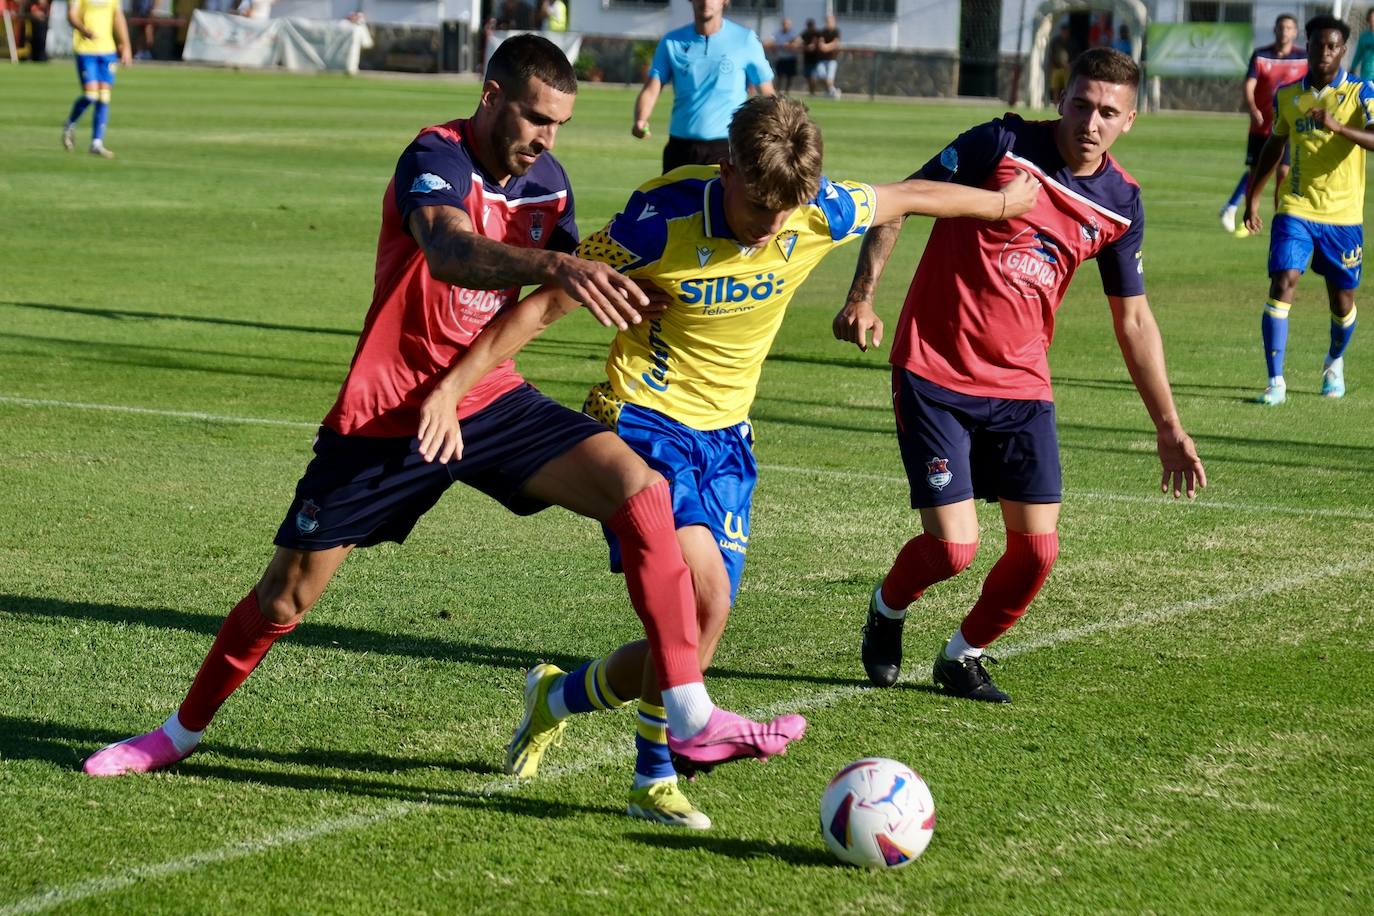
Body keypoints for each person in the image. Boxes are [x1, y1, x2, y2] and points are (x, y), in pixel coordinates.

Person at [81, 34, 804, 780]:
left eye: (558, 123)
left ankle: (686, 711)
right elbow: (449, 252)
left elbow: (554, 295)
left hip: (489, 400)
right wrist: (558, 263)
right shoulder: (435, 158)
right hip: (392, 411)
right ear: (491, 96)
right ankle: (176, 733)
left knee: (642, 491)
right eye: (532, 117)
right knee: (284, 597)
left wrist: (627, 291)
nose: (544, 137)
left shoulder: (550, 182)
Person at [415, 97, 1039, 828]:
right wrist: (454, 387)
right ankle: (653, 775)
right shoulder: (660, 217)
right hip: (643, 418)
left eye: (786, 210)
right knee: (694, 593)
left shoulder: (815, 210)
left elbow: (909, 195)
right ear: (727, 167)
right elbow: (552, 301)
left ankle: (556, 697)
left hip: (727, 441)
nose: (771, 225)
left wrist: (999, 205)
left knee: (696, 625)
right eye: (758, 204)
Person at [834, 48, 1206, 704]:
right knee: (953, 551)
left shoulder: (1121, 205)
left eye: (1109, 112)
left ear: (1131, 120)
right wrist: (862, 295)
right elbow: (899, 202)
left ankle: (963, 655)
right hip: (934, 370)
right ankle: (888, 609)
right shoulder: (999, 144)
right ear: (1061, 98)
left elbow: (1136, 321)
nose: (1092, 121)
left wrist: (1170, 426)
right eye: (1082, 104)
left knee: (1037, 553)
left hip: (1021, 388)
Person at [1243, 15, 1372, 406]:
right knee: (1283, 280)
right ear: (1309, 46)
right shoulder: (1287, 95)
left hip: (1344, 217)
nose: (1324, 53)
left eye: (1332, 47)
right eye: (1318, 45)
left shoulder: (1362, 91)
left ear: (1342, 50)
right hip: (1296, 207)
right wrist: (1253, 197)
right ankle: (1275, 382)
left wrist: (1338, 126)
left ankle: (1334, 362)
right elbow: (1272, 148)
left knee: (1342, 302)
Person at [632, 0, 773, 174]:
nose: (706, 1)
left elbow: (768, 95)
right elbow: (652, 88)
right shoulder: (672, 41)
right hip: (680, 148)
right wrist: (640, 120)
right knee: (676, 201)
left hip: (727, 148)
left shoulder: (745, 40)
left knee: (718, 202)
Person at [1219, 14, 1306, 236]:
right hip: (1261, 126)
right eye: (1281, 27)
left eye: (1289, 28)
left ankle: (1281, 220)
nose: (1285, 31)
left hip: (1286, 128)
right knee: (1256, 172)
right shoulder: (1261, 55)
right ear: (1275, 30)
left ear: (1295, 32)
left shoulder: (1303, 58)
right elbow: (1249, 84)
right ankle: (1248, 213)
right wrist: (1252, 107)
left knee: (1284, 173)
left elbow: (1308, 88)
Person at [62, 0, 131, 159]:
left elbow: (118, 16)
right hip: (86, 48)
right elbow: (71, 15)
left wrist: (126, 45)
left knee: (104, 97)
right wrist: (83, 30)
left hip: (107, 50)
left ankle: (96, 143)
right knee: (91, 95)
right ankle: (69, 124)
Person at [768, 16, 801, 94]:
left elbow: (798, 42)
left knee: (790, 76)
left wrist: (789, 45)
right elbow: (771, 42)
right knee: (780, 76)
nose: (786, 26)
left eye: (788, 24)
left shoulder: (793, 33)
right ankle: (778, 91)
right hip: (781, 58)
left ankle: (787, 91)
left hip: (791, 58)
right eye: (785, 24)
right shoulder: (778, 33)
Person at [814, 13, 841, 99]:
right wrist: (824, 46)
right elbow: (821, 43)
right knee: (821, 75)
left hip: (832, 59)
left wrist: (826, 47)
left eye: (830, 21)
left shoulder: (836, 31)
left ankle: (832, 92)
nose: (829, 23)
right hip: (822, 59)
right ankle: (833, 91)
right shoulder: (823, 32)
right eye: (827, 21)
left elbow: (835, 43)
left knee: (829, 78)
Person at [1047, 23, 1071, 104]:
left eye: (1065, 31)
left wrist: (1070, 65)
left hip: (1067, 69)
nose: (1064, 33)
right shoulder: (1055, 41)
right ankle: (1055, 103)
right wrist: (1052, 65)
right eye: (1063, 31)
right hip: (1056, 68)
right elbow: (1051, 54)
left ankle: (1066, 103)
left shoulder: (1072, 42)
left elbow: (1076, 55)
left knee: (1067, 88)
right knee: (1055, 87)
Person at [800, 18, 819, 95]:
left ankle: (813, 91)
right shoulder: (805, 33)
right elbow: (800, 41)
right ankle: (811, 91)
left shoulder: (817, 33)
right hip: (807, 58)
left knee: (813, 75)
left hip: (815, 58)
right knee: (808, 75)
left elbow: (816, 43)